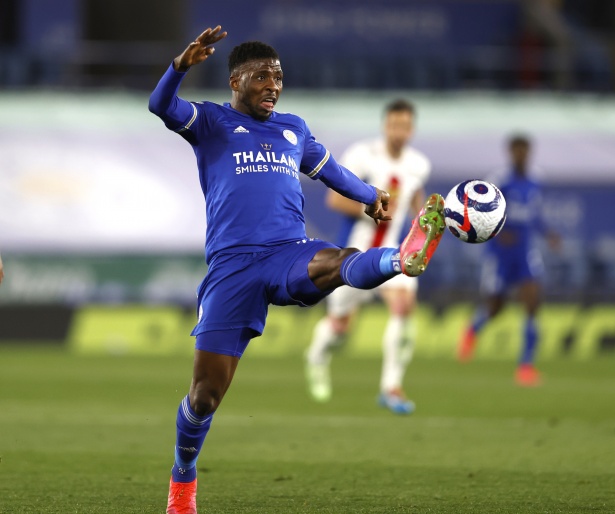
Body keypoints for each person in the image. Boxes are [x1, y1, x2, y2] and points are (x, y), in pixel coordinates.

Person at [148, 26, 446, 514]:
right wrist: (179, 67)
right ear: (235, 81)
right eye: (262, 77)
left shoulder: (293, 129)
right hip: (232, 267)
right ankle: (183, 480)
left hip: (288, 250)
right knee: (204, 397)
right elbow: (161, 107)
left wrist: (370, 197)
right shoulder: (211, 122)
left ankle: (401, 258)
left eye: (279, 78)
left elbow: (330, 171)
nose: (273, 86)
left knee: (338, 261)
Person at [305, 99, 430, 415]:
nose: (399, 131)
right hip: (355, 253)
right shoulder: (363, 156)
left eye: (405, 125)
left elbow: (416, 203)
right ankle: (317, 357)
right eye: (394, 124)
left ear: (412, 129)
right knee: (341, 327)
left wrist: (427, 226)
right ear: (385, 125)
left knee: (404, 307)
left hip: (393, 253)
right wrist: (372, 208)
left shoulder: (418, 165)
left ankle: (391, 388)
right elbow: (335, 200)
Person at [456, 134, 559, 386]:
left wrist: (548, 234)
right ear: (510, 153)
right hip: (500, 253)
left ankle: (525, 366)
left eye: (525, 151)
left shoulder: (536, 180)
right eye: (517, 151)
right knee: (496, 307)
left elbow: (534, 214)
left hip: (525, 251)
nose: (521, 155)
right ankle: (472, 330)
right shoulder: (499, 180)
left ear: (529, 152)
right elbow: (480, 213)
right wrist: (498, 233)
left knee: (532, 301)